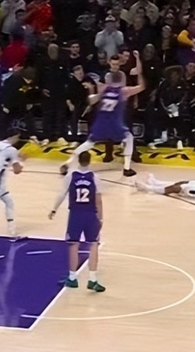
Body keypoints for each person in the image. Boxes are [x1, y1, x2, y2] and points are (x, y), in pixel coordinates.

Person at [62, 51, 146, 177]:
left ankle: (68, 162)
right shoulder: (123, 91)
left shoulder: (104, 90)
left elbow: (91, 99)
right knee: (129, 137)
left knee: (89, 143)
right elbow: (142, 86)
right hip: (115, 123)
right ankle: (127, 168)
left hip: (101, 123)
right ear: (122, 80)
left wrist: (91, 90)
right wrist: (140, 75)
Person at [50, 151, 105, 292]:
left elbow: (61, 194)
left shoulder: (70, 176)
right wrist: (100, 218)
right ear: (90, 161)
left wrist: (54, 209)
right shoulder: (95, 177)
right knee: (93, 244)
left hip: (75, 215)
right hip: (91, 214)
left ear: (78, 161)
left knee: (73, 245)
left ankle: (72, 278)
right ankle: (93, 279)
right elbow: (98, 200)